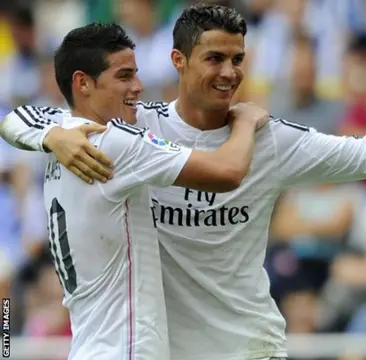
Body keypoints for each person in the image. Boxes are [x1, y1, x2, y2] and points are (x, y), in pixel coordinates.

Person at [0, 4, 366, 360]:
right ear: (178, 60)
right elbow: (225, 173)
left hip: (248, 346)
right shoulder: (135, 131)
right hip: (164, 349)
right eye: (214, 58)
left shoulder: (273, 141)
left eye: (238, 58)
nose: (229, 72)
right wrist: (54, 135)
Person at [0, 22, 267, 359]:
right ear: (82, 83)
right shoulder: (114, 143)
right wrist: (244, 119)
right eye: (124, 76)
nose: (139, 87)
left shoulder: (62, 136)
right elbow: (228, 172)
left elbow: (14, 119)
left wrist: (49, 136)